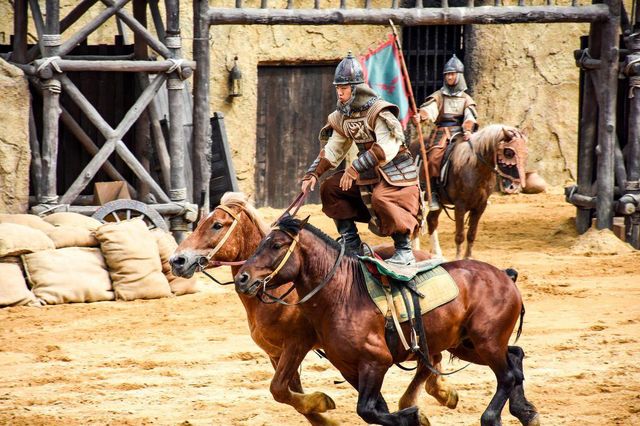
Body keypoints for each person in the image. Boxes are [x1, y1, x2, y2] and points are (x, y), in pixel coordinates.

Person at [300, 52, 421, 265]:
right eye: (337, 88)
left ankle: (404, 249)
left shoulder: (379, 111)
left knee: (382, 198)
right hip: (366, 171)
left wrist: (354, 168)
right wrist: (313, 174)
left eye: (343, 89)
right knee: (331, 188)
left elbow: (386, 148)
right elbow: (334, 149)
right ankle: (351, 242)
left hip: (395, 171)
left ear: (356, 89)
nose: (339, 93)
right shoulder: (342, 116)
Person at [413, 54, 478, 211]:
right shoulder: (439, 96)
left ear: (459, 76)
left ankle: (477, 192)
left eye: (452, 74)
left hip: (462, 133)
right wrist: (421, 116)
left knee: (475, 158)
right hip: (442, 132)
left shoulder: (466, 98)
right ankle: (433, 193)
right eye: (447, 74)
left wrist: (468, 130)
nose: (449, 77)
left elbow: (470, 117)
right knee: (434, 158)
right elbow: (430, 109)